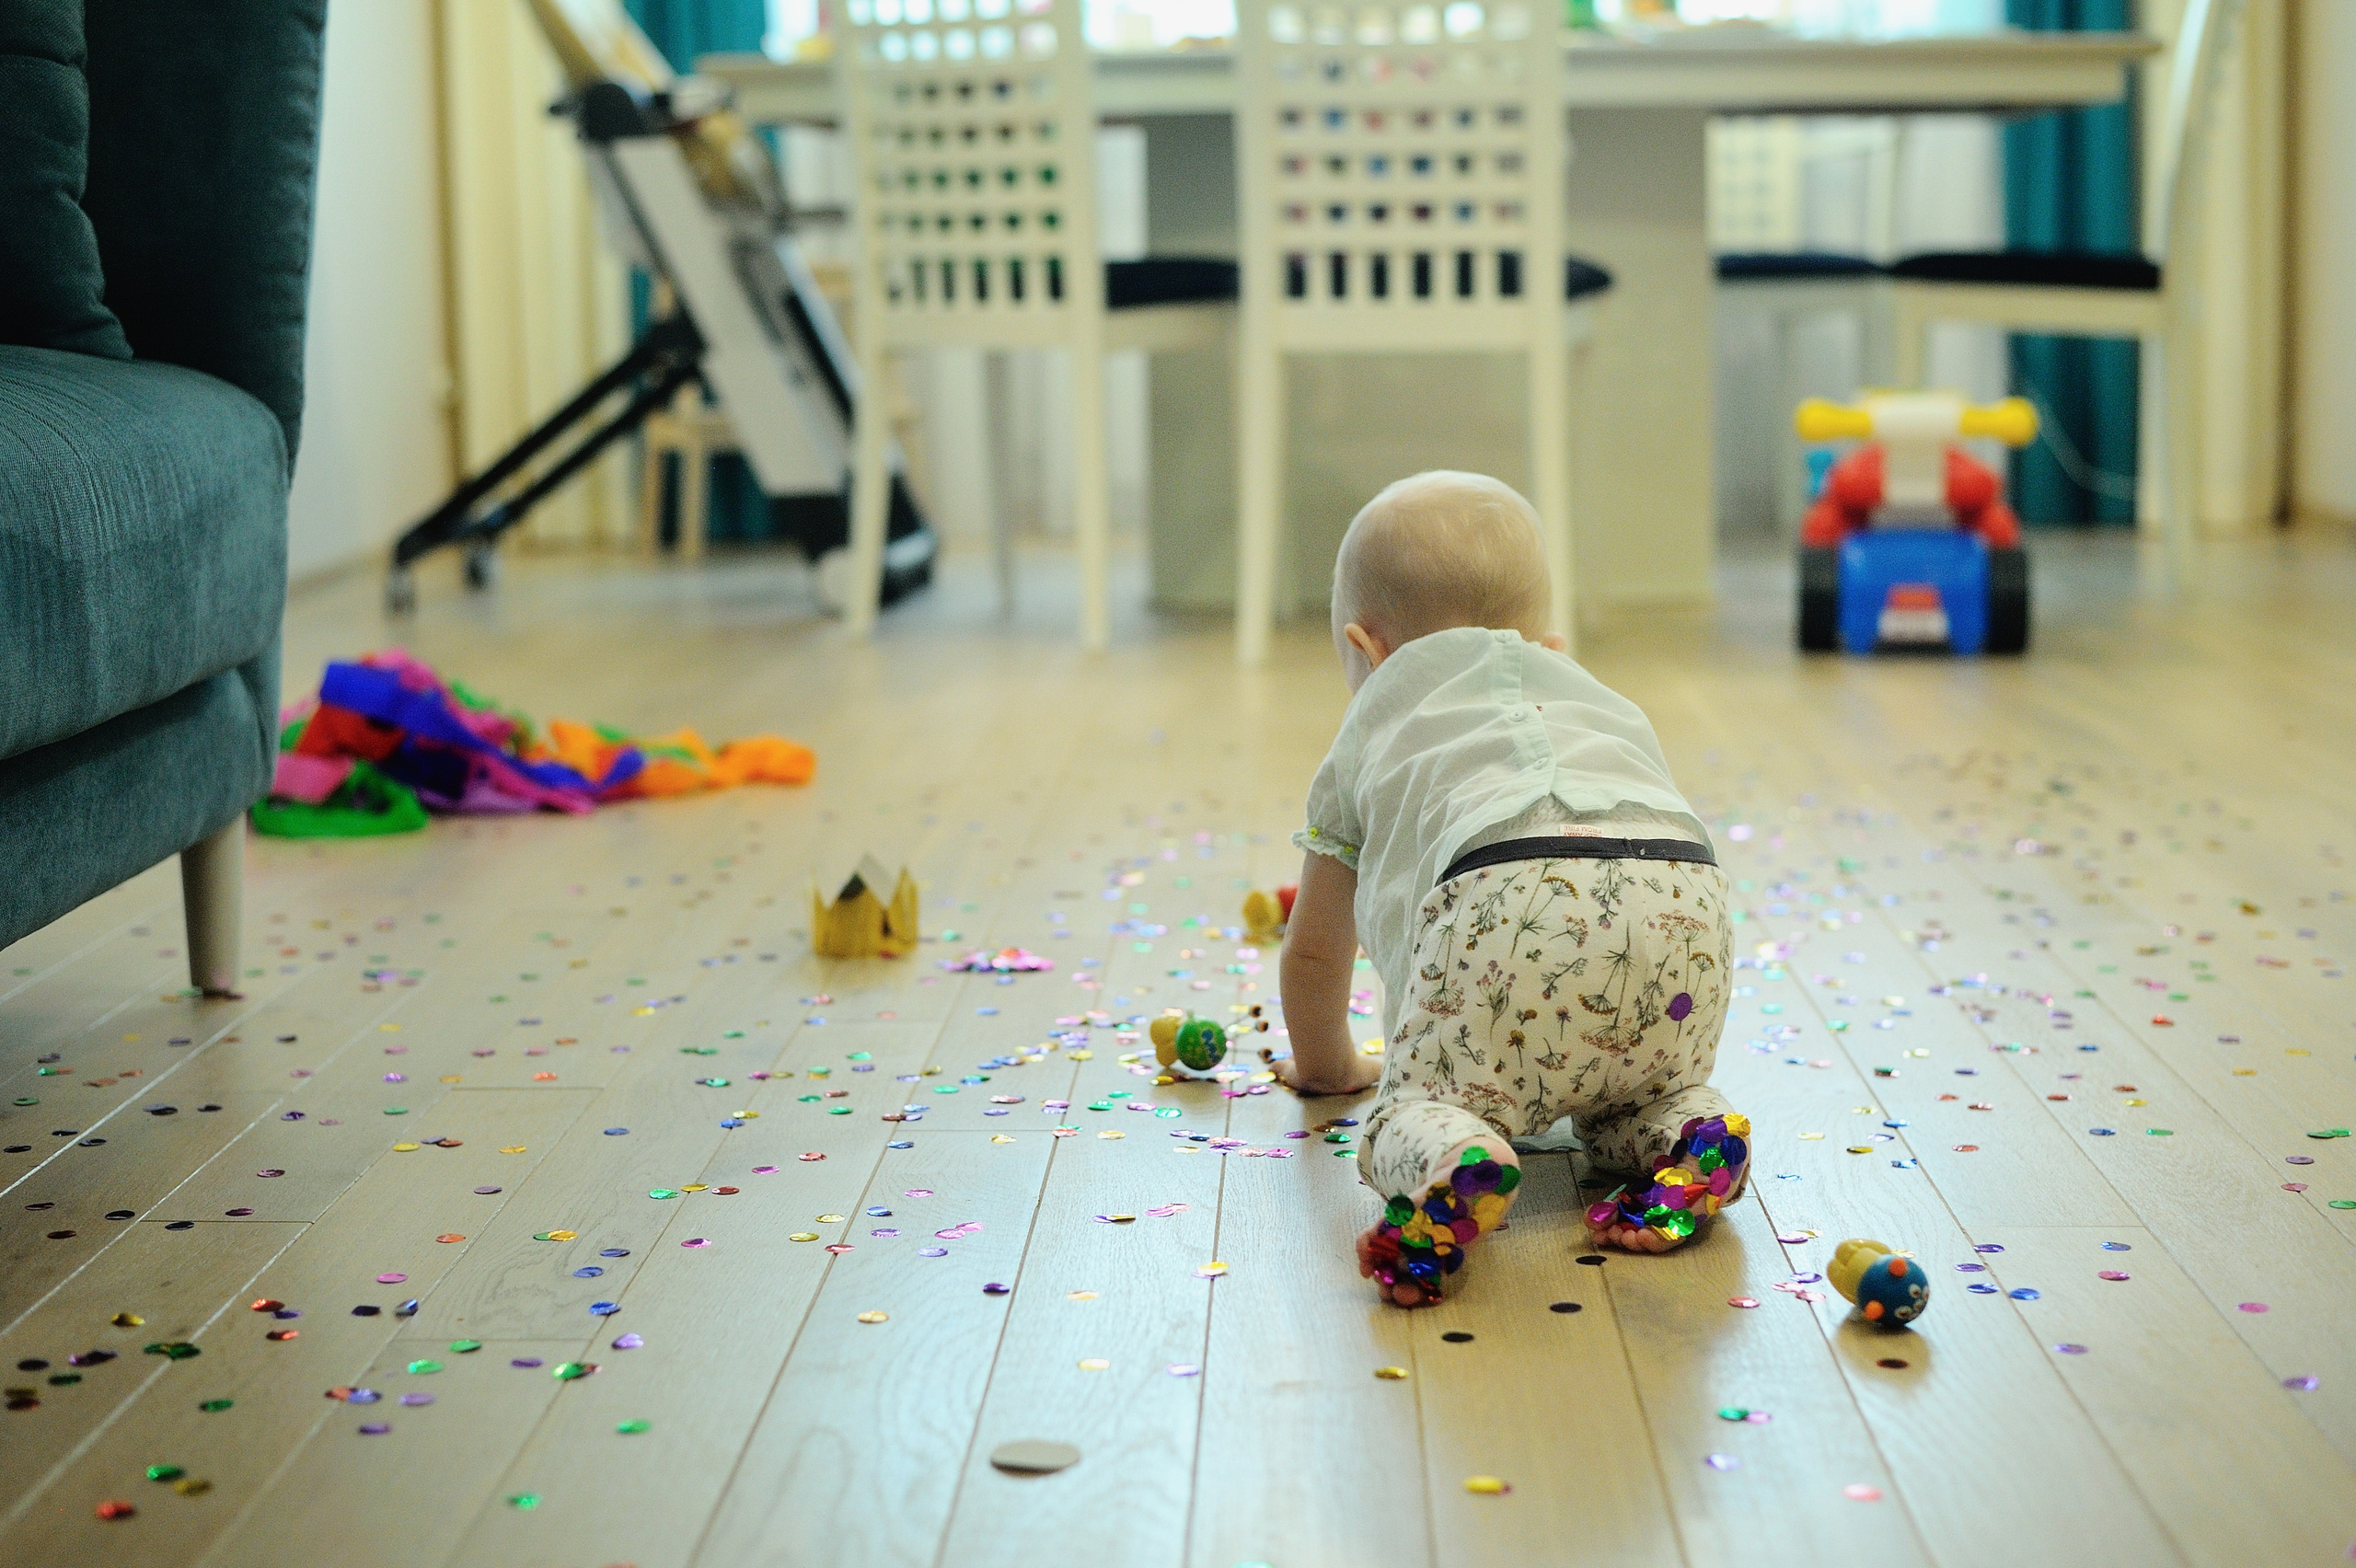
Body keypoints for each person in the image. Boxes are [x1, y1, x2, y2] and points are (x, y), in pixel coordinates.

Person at [1273, 471, 1748, 1308]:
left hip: (1504, 905)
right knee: (1631, 1102)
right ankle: (1689, 1132)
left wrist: (1329, 1066)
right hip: (1683, 905)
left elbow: (1315, 950)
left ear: (1368, 651)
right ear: (1550, 648)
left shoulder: (1373, 725)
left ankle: (1458, 1157)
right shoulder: (1601, 702)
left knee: (1408, 1113)